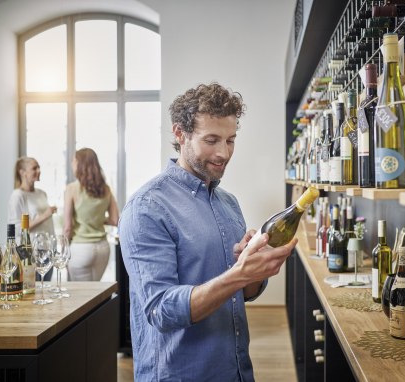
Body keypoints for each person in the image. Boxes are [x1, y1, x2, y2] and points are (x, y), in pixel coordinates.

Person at [118, 82, 296, 382]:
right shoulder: (147, 208)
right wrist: (239, 274)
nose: (223, 153)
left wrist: (253, 269)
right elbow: (161, 310)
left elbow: (244, 294)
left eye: (230, 140)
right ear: (179, 133)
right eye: (211, 140)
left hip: (235, 370)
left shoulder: (228, 202)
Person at [63, 148, 119, 281]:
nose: (72, 164)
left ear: (79, 164)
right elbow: (115, 220)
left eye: (73, 161)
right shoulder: (106, 189)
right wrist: (98, 219)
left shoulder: (72, 189)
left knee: (82, 296)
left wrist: (63, 253)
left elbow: (67, 227)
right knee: (95, 294)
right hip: (103, 249)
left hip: (80, 248)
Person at [8, 156, 56, 280]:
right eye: (34, 168)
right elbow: (17, 229)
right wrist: (45, 215)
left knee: (45, 290)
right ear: (22, 172)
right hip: (30, 253)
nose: (39, 170)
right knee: (32, 291)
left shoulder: (42, 193)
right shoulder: (17, 196)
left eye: (39, 167)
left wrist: (54, 247)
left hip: (47, 251)